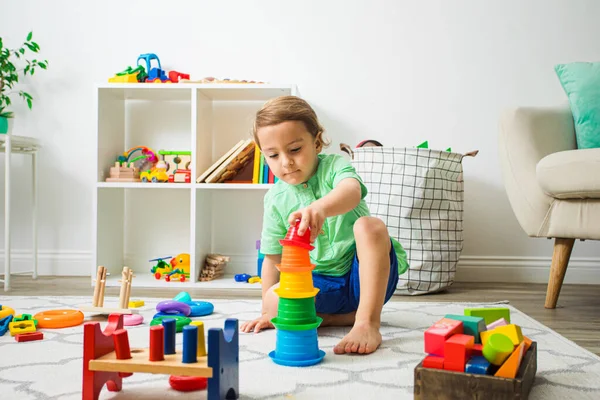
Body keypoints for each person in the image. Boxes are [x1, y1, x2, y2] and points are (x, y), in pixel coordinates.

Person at [240, 96, 409, 355]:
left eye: (295, 149)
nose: (285, 162)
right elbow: (272, 256)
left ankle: (367, 322)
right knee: (274, 302)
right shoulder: (275, 199)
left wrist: (321, 207)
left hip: (363, 278)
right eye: (273, 155)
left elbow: (352, 191)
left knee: (370, 226)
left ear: (317, 142)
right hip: (317, 284)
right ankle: (338, 319)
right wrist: (265, 312)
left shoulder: (334, 167)